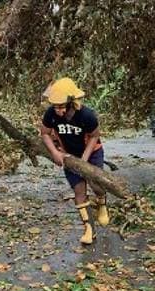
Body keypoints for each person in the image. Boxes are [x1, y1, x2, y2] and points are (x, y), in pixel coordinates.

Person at [40, 77, 108, 245]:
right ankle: (88, 229)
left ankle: (101, 202)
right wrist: (55, 153)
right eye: (55, 107)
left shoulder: (87, 115)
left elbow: (95, 136)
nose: (58, 111)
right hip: (69, 156)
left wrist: (84, 161)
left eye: (61, 107)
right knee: (79, 191)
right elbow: (44, 133)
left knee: (96, 184)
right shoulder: (51, 114)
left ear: (72, 103)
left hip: (92, 153)